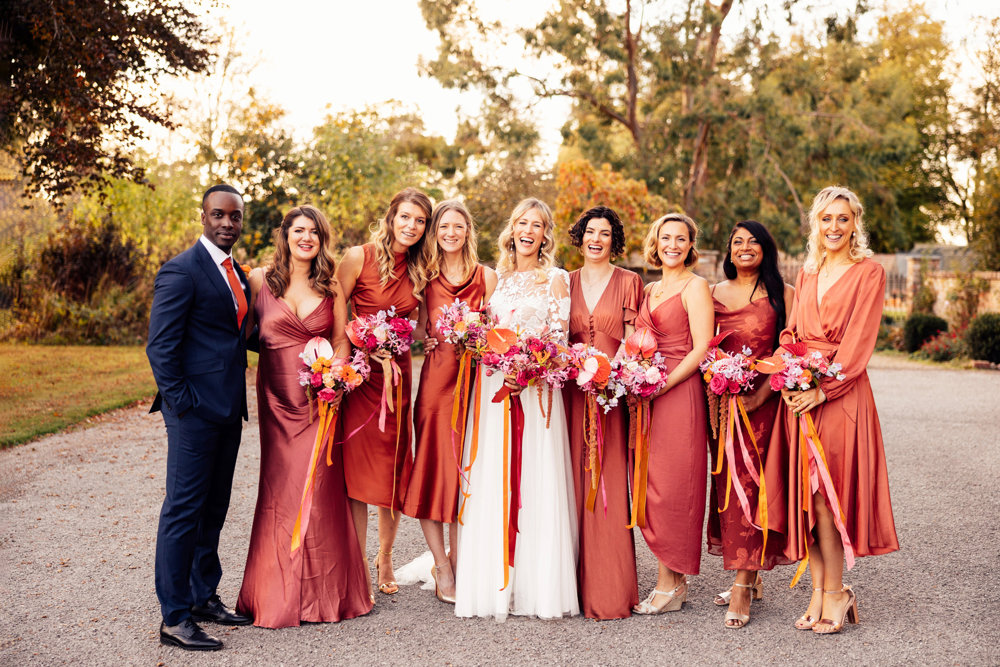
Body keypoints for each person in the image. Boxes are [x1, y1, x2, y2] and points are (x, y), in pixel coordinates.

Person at [762, 186, 899, 634]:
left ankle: (838, 594)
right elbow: (792, 333)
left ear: (855, 223)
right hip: (799, 393)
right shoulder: (807, 272)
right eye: (826, 219)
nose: (834, 227)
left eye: (843, 218)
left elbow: (858, 343)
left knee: (828, 496)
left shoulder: (869, 273)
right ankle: (819, 592)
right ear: (815, 224)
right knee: (807, 495)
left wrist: (823, 390)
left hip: (838, 396)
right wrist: (786, 373)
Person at [235, 205, 373, 627]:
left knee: (320, 485)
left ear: (321, 238)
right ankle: (274, 592)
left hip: (320, 401)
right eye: (299, 230)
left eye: (314, 231)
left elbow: (340, 341)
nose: (306, 237)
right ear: (286, 235)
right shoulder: (259, 280)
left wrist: (335, 378)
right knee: (280, 492)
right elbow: (239, 334)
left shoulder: (331, 285)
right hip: (276, 402)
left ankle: (326, 593)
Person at [454, 198, 579, 621]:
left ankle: (538, 584)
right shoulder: (498, 279)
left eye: (538, 224)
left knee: (535, 477)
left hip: (537, 392)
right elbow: (488, 334)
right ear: (512, 229)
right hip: (495, 390)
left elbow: (560, 343)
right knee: (495, 475)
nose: (529, 230)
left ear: (546, 234)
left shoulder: (557, 279)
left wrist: (527, 369)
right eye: (522, 223)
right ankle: (492, 579)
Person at [146, 184, 253, 651]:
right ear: (204, 216)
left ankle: (203, 595)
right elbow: (160, 347)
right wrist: (183, 403)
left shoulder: (238, 274)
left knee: (214, 508)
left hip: (229, 408)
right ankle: (174, 617)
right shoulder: (181, 271)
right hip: (193, 413)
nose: (227, 223)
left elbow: (237, 337)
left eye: (235, 216)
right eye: (218, 214)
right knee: (183, 510)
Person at [335, 187, 431, 598]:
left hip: (398, 375)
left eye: (420, 220)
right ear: (391, 217)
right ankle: (357, 563)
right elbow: (337, 306)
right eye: (405, 217)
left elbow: (423, 329)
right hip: (361, 375)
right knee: (357, 472)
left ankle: (386, 555)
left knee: (391, 471)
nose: (411, 226)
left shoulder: (422, 270)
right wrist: (352, 345)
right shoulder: (359, 257)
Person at [402, 200, 497, 604]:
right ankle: (441, 566)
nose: (451, 233)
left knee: (466, 475)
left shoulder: (487, 277)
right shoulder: (422, 277)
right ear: (435, 232)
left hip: (475, 384)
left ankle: (461, 558)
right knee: (433, 471)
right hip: (437, 385)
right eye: (444, 226)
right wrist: (429, 337)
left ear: (468, 231)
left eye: (458, 226)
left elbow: (500, 329)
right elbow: (414, 327)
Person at [705, 220, 794, 628]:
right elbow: (703, 346)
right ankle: (749, 573)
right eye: (736, 241)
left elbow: (791, 350)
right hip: (722, 407)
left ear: (766, 249)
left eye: (753, 242)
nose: (744, 247)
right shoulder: (713, 293)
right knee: (728, 487)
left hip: (765, 406)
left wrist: (762, 394)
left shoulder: (784, 295)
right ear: (728, 250)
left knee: (757, 487)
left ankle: (742, 585)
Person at [631, 213, 713, 615]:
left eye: (681, 238)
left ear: (690, 245)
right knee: (651, 484)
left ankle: (668, 585)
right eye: (666, 238)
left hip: (679, 394)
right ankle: (674, 581)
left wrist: (662, 385)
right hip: (649, 393)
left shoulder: (696, 286)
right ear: (656, 242)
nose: (673, 245)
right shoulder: (649, 289)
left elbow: (700, 349)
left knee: (674, 486)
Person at [563, 206, 642, 619]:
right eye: (590, 231)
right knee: (569, 484)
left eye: (605, 233)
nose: (596, 239)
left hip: (611, 398)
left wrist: (615, 375)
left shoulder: (630, 282)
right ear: (580, 236)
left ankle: (609, 590)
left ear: (615, 240)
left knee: (608, 487)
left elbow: (634, 343)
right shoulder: (564, 281)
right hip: (570, 398)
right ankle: (566, 588)